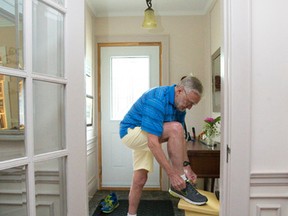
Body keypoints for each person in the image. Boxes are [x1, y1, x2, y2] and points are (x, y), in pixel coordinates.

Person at [119, 75, 207, 216]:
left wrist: (187, 167)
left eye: (193, 105)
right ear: (179, 91)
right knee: (176, 128)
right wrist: (173, 175)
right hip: (131, 132)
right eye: (189, 102)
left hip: (148, 132)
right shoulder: (157, 98)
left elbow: (181, 139)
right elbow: (153, 143)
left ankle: (131, 214)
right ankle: (180, 185)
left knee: (140, 179)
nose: (189, 107)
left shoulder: (180, 107)